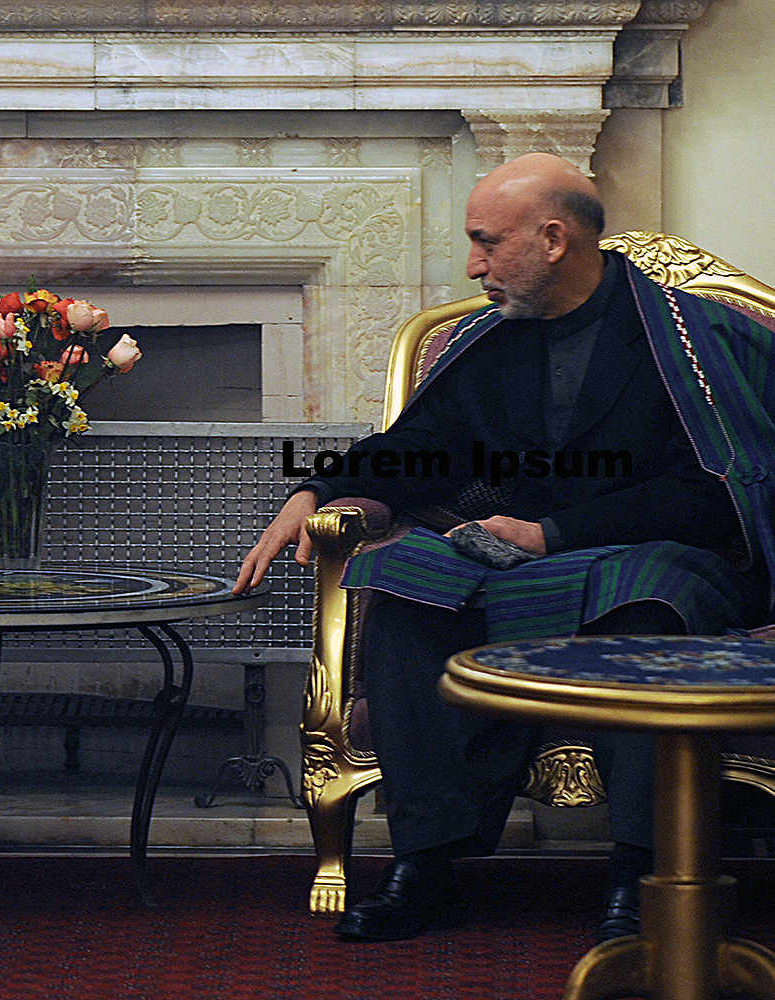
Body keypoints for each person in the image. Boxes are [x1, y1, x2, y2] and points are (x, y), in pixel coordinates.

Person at [236, 153, 774, 944]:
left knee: (646, 602)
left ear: (553, 239)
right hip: (516, 559)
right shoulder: (491, 341)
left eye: (487, 242)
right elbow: (417, 446)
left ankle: (643, 875)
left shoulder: (693, 340)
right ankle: (426, 863)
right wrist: (314, 491)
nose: (472, 264)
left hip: (658, 553)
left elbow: (716, 491)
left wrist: (552, 534)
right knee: (403, 579)